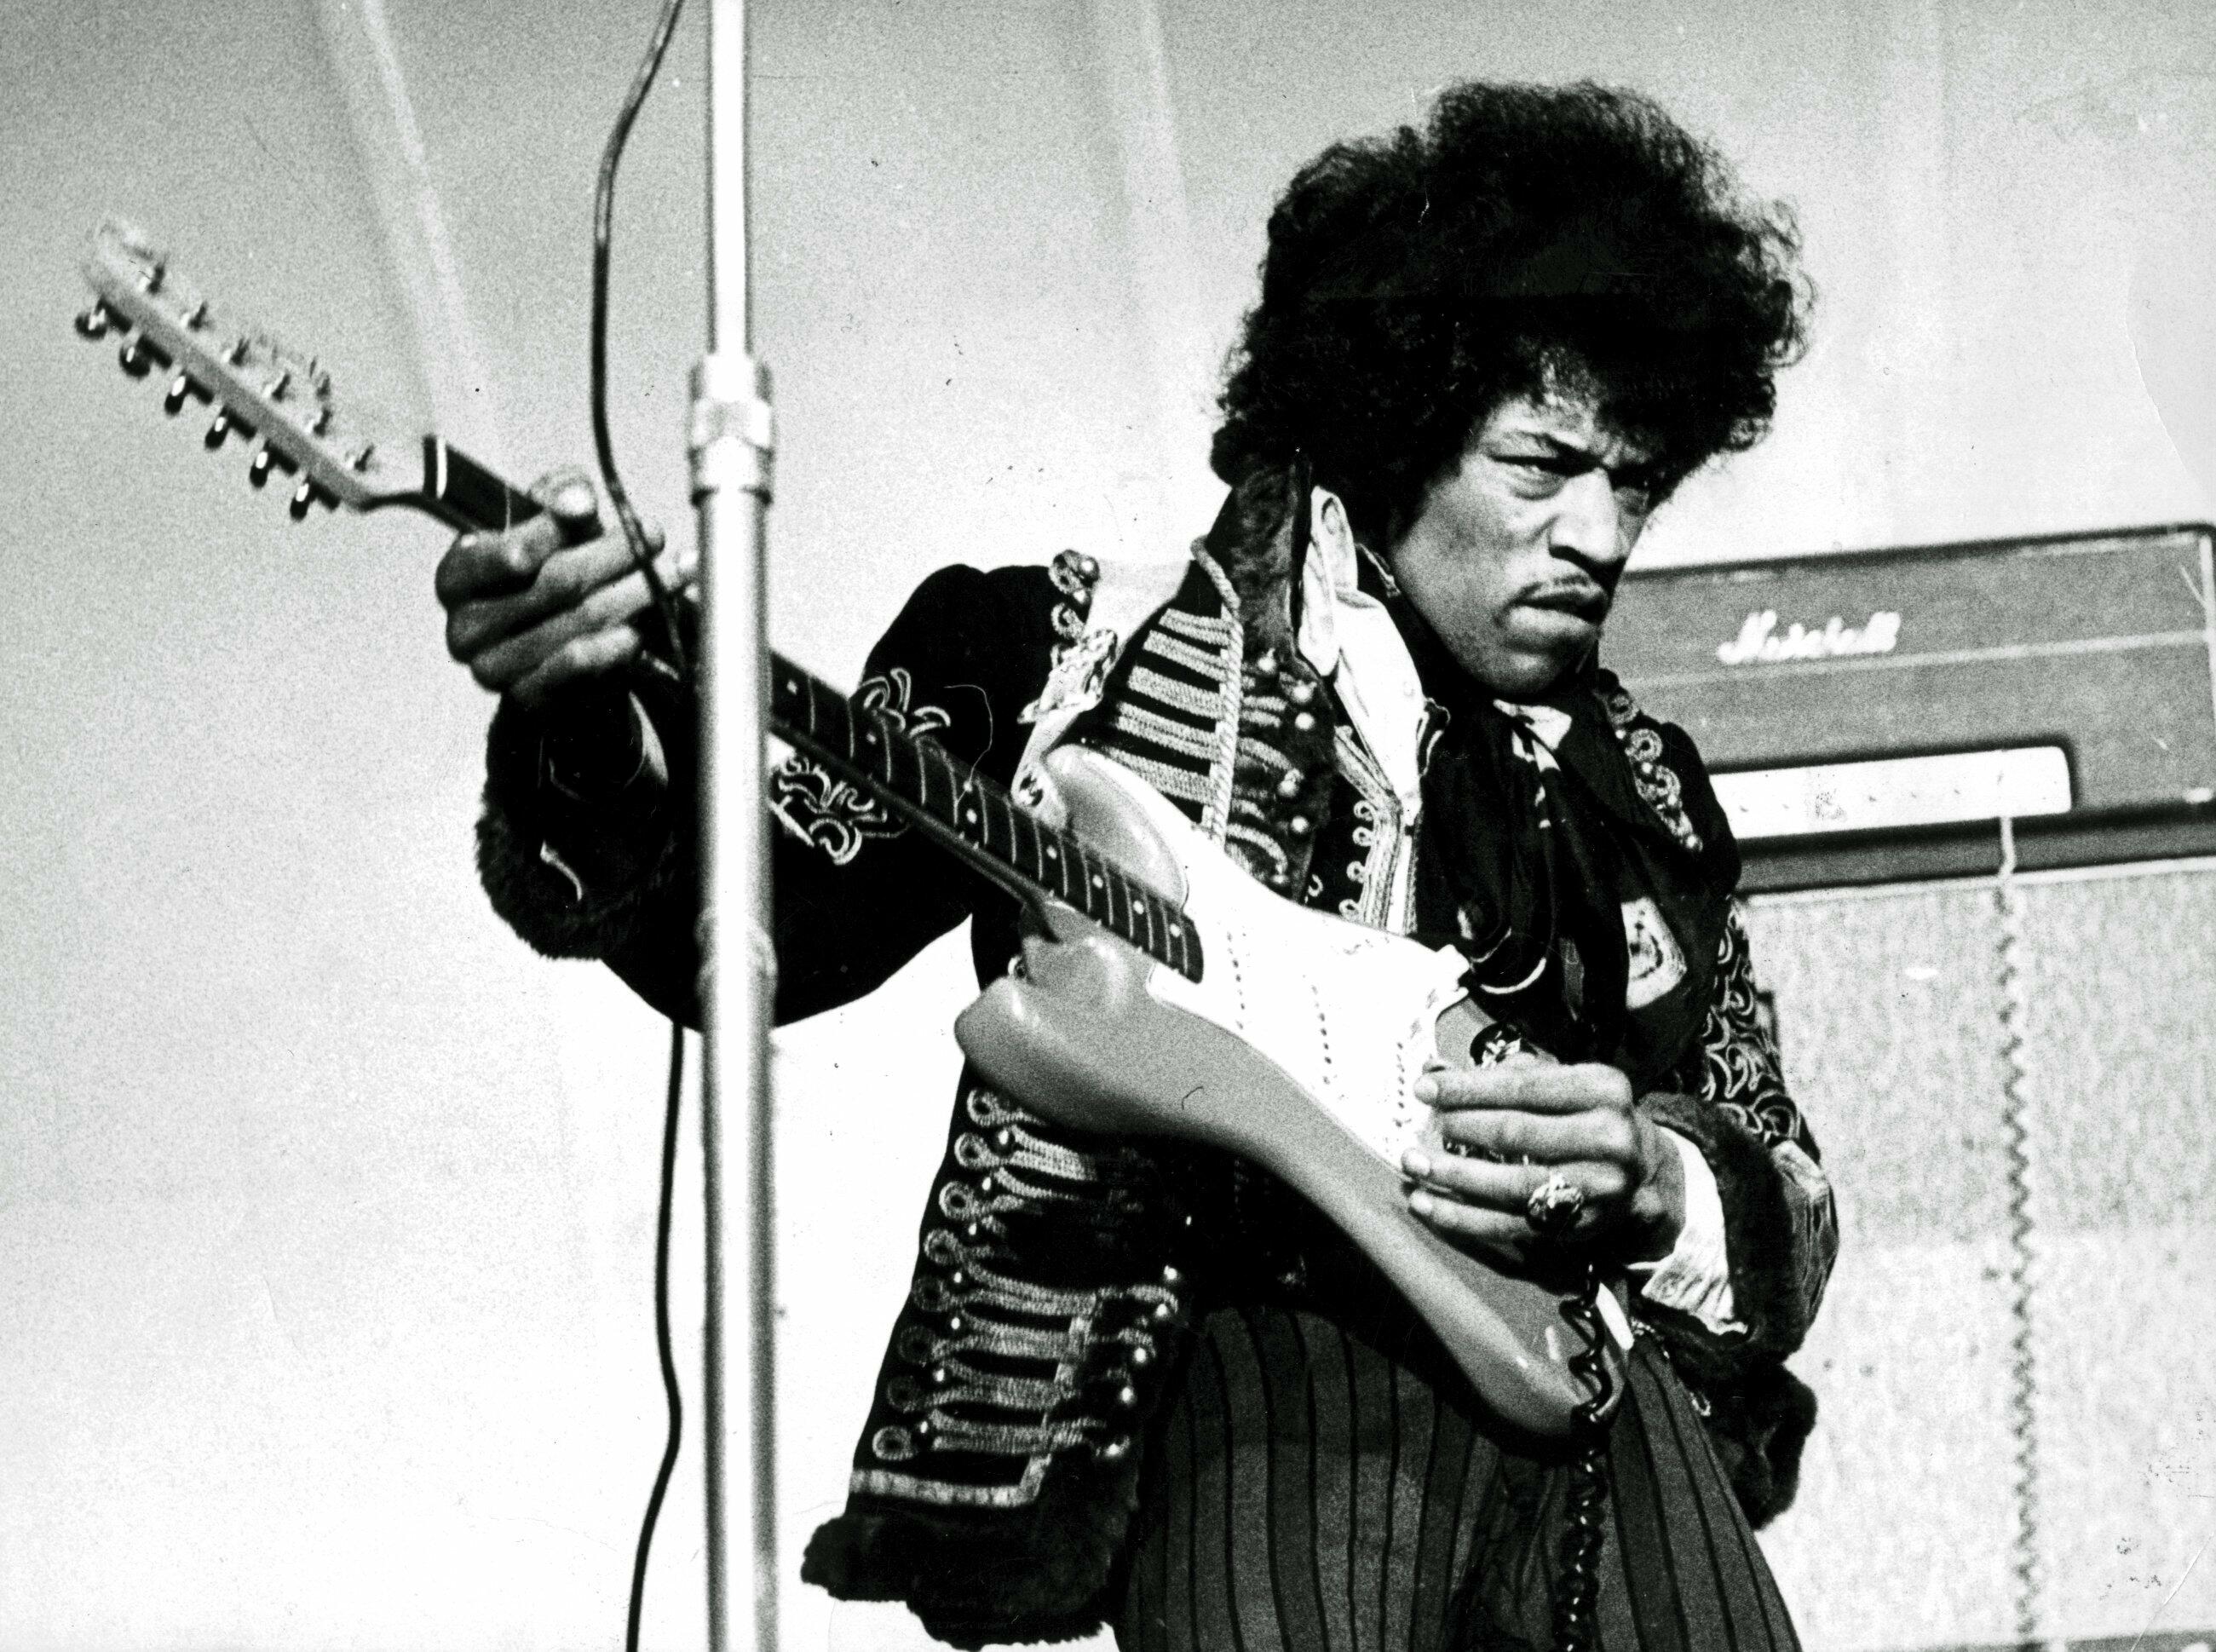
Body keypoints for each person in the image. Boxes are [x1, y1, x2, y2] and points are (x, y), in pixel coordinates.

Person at [438, 81, 1837, 1651]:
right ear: (1401, 429)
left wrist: (1654, 1175)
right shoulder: (1060, 655)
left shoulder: (1644, 793)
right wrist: (585, 720)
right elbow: (760, 930)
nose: (1601, 533)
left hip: (1612, 1419)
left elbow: (1785, 1188)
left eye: (1633, 481)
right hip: (1263, 1400)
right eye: (1540, 465)